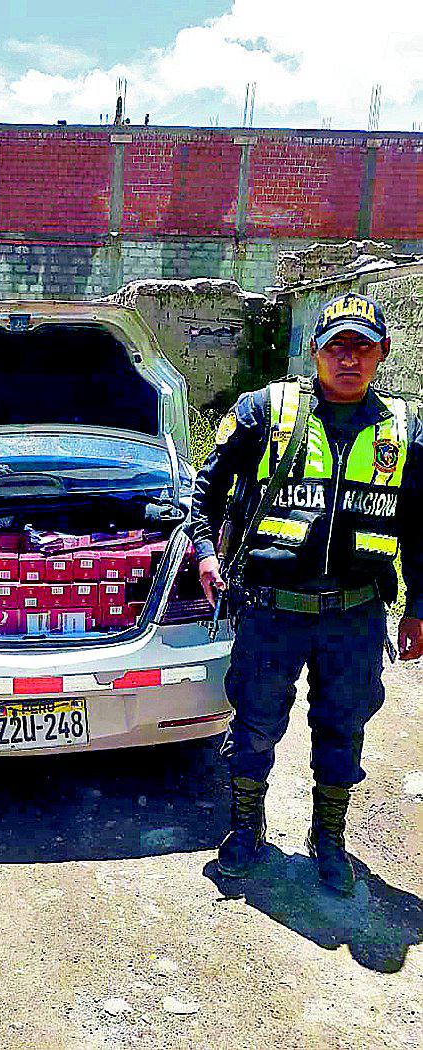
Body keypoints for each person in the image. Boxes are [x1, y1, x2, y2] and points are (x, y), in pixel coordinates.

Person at [188, 292, 423, 896]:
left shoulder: (405, 431)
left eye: (362, 347)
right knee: (257, 725)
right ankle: (244, 829)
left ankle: (329, 836)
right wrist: (209, 556)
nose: (349, 358)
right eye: (336, 346)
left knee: (343, 726)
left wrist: (418, 606)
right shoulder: (267, 412)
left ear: (383, 355)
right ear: (314, 351)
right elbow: (202, 496)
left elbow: (421, 527)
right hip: (273, 611)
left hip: (356, 615)